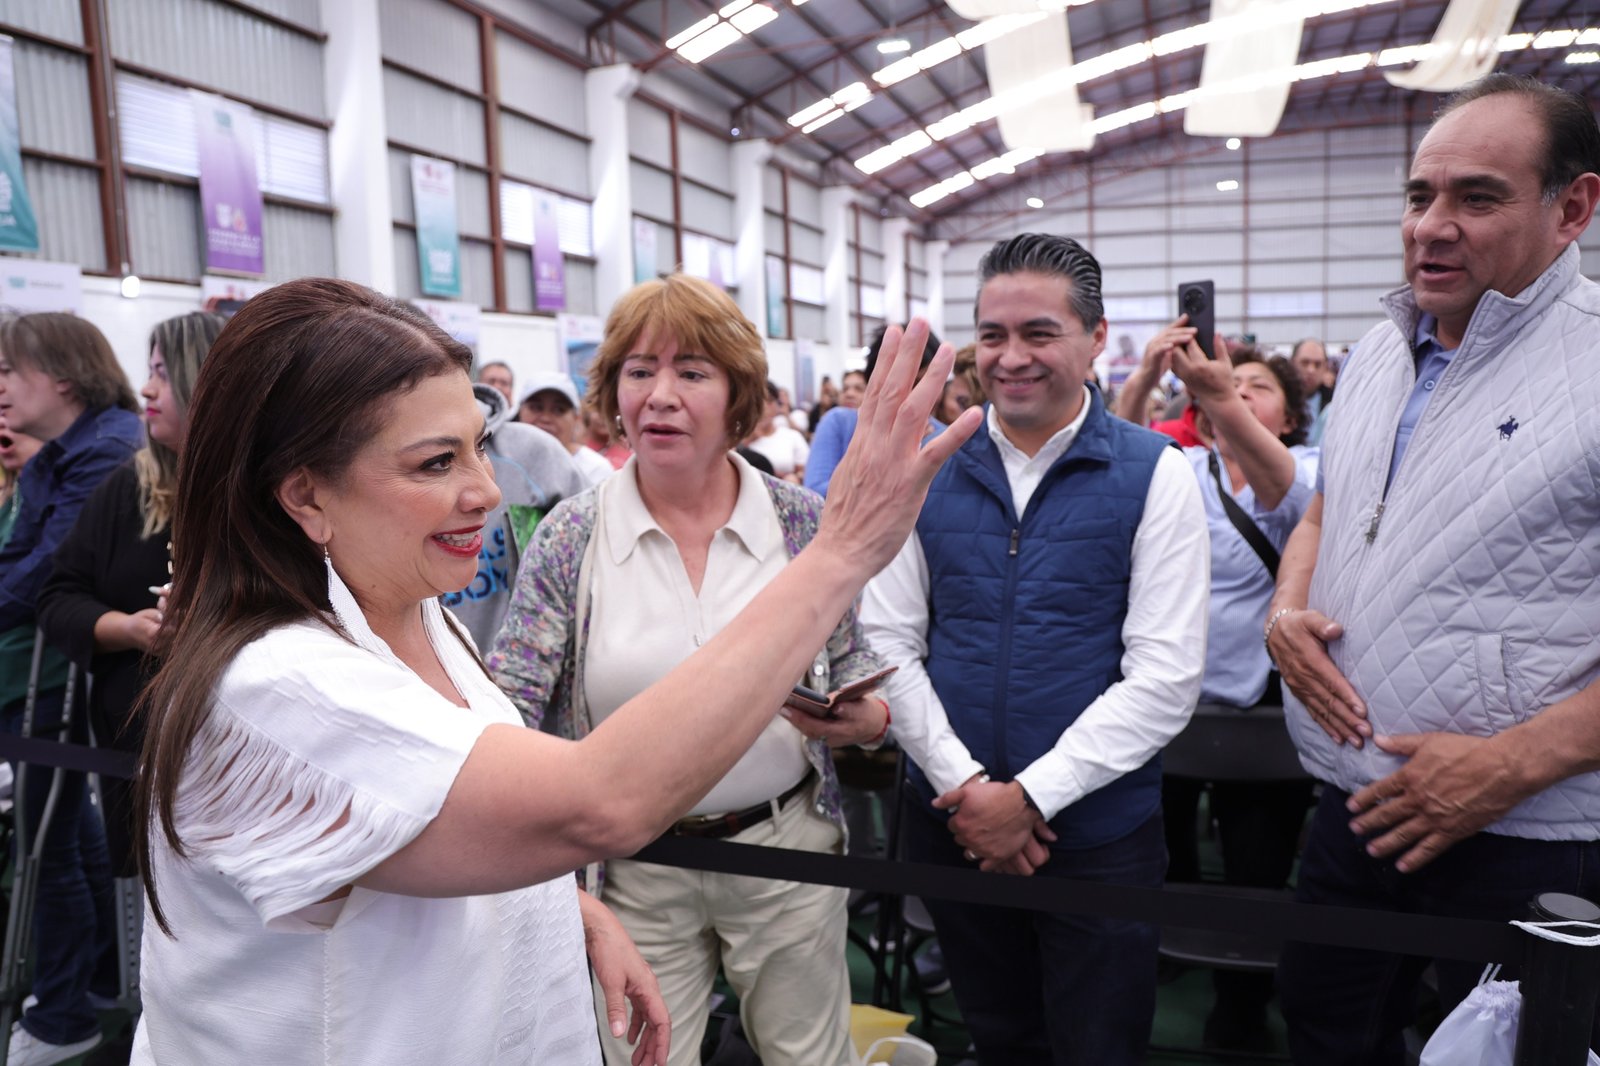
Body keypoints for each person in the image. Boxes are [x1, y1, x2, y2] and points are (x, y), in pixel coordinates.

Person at [129, 276, 978, 1065]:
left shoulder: (419, 612)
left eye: (478, 449)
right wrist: (840, 554)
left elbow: (421, 815)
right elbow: (593, 800)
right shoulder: (286, 685)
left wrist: (559, 906)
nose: (487, 491)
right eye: (436, 463)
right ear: (305, 496)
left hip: (774, 845)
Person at [1264, 74, 1600, 1065]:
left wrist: (1510, 765)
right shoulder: (1380, 349)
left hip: (1527, 829)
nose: (1430, 227)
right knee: (1325, 1025)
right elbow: (1330, 503)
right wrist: (1288, 608)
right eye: (1419, 197)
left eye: (1478, 198)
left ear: (1571, 208)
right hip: (1354, 798)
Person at [490, 274, 893, 1066]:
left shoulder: (802, 522)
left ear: (739, 398)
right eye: (639, 372)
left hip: (785, 849)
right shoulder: (573, 534)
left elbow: (857, 664)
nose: (660, 395)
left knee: (809, 1055)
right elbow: (512, 703)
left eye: (692, 372)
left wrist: (865, 722)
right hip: (636, 867)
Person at [863, 233, 1210, 1065]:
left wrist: (1033, 799)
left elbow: (1164, 677)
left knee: (1099, 1043)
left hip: (1097, 837)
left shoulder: (1155, 473)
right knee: (998, 1036)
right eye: (991, 336)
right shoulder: (927, 469)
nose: (1010, 358)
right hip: (951, 824)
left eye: (1038, 334)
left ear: (1095, 339)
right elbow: (888, 640)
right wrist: (969, 790)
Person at [1156, 341, 1318, 1052]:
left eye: (1259, 388)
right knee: (1166, 852)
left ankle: (1241, 1003)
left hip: (1265, 700)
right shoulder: (1180, 468)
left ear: (1288, 418)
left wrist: (1220, 394)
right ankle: (1165, 952)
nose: (1240, 392)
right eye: (1230, 386)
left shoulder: (1310, 471)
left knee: (1255, 864)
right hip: (1171, 690)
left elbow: (1289, 496)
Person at [0, 313, 142, 1066]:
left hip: (65, 678)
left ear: (60, 378)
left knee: (48, 843)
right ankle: (80, 988)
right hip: (52, 673)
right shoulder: (64, 455)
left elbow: (41, 580)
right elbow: (24, 560)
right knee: (58, 836)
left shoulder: (109, 453)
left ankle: (63, 1013)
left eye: (8, 371)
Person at [38, 313, 225, 882]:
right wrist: (127, 628)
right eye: (150, 372)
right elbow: (57, 595)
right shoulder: (130, 487)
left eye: (163, 374)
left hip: (229, 757)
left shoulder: (269, 494)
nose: (146, 389)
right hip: (135, 751)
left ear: (205, 381)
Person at [441, 378, 586, 652]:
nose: (488, 495)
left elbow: (594, 552)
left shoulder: (535, 453)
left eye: (559, 409)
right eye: (433, 464)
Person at [806, 333, 942, 497]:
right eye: (907, 382)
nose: (916, 392)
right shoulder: (840, 423)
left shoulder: (944, 437)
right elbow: (814, 495)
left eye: (926, 381)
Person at [516, 371, 615, 488]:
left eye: (559, 410)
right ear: (520, 412)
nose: (546, 418)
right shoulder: (504, 463)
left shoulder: (595, 470)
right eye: (536, 407)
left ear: (576, 418)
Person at [743, 379, 810, 484]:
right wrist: (749, 438)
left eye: (769, 401)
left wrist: (793, 478)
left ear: (776, 404)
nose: (763, 407)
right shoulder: (739, 440)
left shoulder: (791, 436)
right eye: (758, 401)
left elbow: (806, 470)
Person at [1289, 338, 1333, 444]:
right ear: (1292, 363)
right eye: (1304, 363)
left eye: (1318, 364)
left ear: (1326, 367)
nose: (1311, 370)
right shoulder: (1279, 400)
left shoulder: (1335, 403)